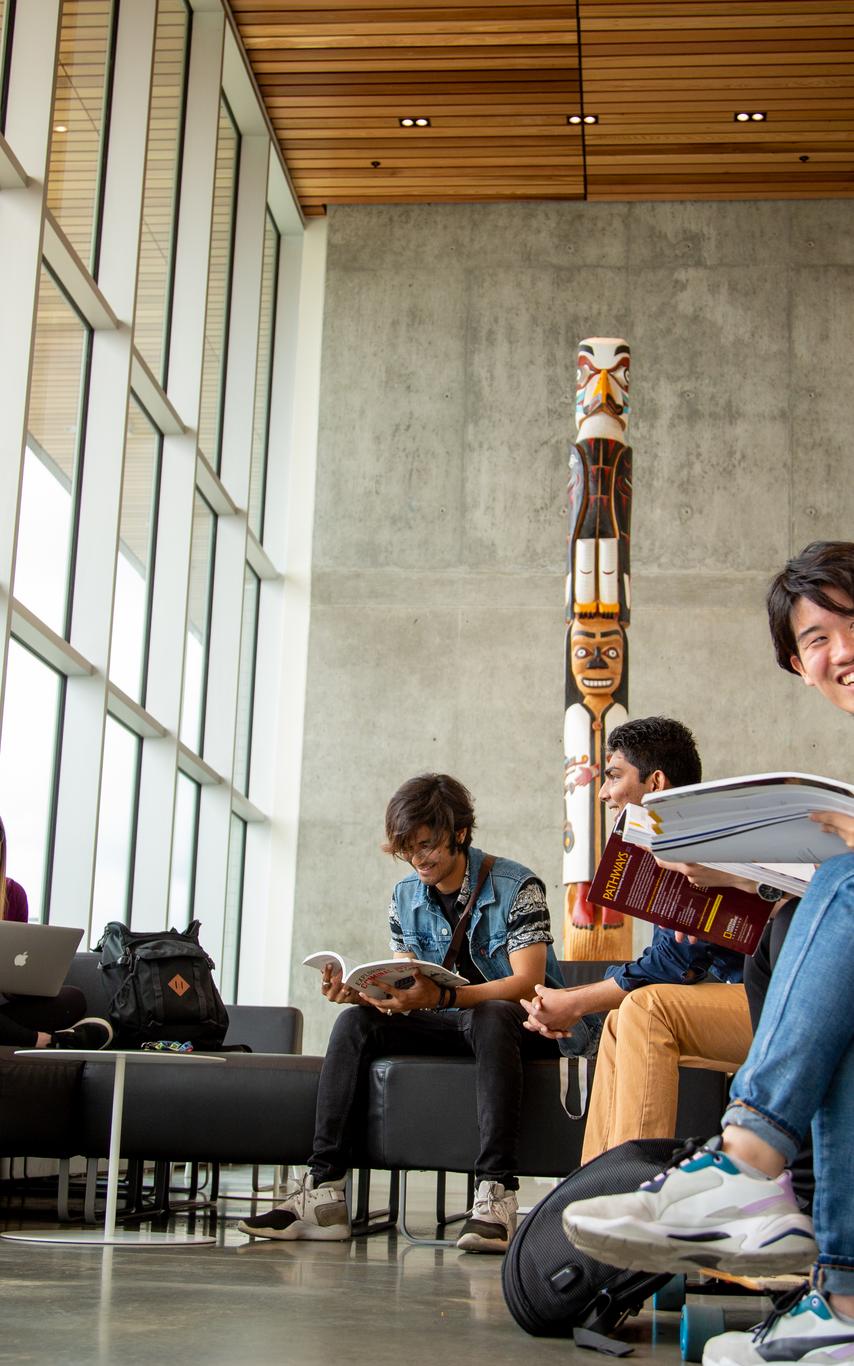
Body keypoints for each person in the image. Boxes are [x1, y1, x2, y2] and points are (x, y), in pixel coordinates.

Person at [562, 541, 854, 1366]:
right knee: (823, 914)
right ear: (798, 667)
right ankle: (840, 1303)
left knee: (837, 884)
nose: (839, 651)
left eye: (851, 623)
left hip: (744, 995)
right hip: (785, 978)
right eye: (816, 639)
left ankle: (744, 1164)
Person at [238, 773, 565, 1253]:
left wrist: (445, 1000)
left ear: (459, 832)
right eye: (408, 850)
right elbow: (408, 981)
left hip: (528, 1025)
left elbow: (527, 985)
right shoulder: (404, 897)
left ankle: (496, 1194)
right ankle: (324, 1193)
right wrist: (364, 993)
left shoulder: (519, 885)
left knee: (492, 1014)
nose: (419, 860)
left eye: (428, 845)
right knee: (355, 1023)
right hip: (450, 1019)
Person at [521, 716, 754, 1156]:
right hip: (739, 997)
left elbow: (674, 965)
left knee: (648, 1008)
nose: (605, 792)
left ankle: (631, 1183)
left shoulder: (705, 838)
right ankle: (590, 1190)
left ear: (657, 781)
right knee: (621, 1019)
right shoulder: (667, 843)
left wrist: (573, 1002)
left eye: (614, 776)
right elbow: (672, 958)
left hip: (775, 1002)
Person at [0, 817, 113, 1051]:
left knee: (72, 999)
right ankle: (47, 1039)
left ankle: (26, 1035)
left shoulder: (13, 893)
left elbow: (15, 969)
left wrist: (28, 983)